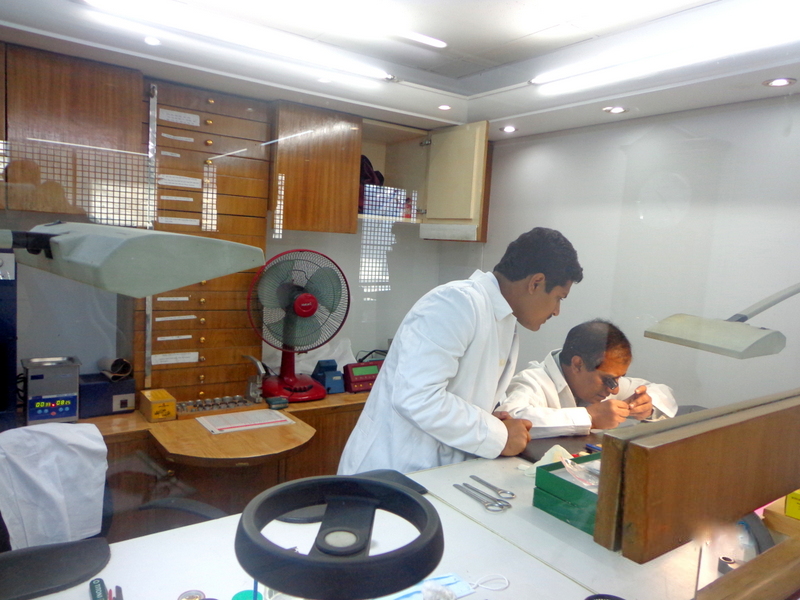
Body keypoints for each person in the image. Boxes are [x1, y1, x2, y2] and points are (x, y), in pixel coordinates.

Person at [338, 227, 584, 474]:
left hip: (436, 473)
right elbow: (416, 397)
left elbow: (462, 396)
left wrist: (492, 420)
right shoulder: (456, 302)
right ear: (536, 282)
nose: (556, 311)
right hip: (390, 471)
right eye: (559, 298)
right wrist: (497, 434)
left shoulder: (503, 318)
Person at [498, 319, 678, 438]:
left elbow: (663, 392)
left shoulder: (604, 380)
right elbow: (511, 419)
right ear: (577, 364)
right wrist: (590, 417)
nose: (614, 390)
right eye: (608, 380)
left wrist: (647, 406)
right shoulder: (532, 381)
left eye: (619, 379)